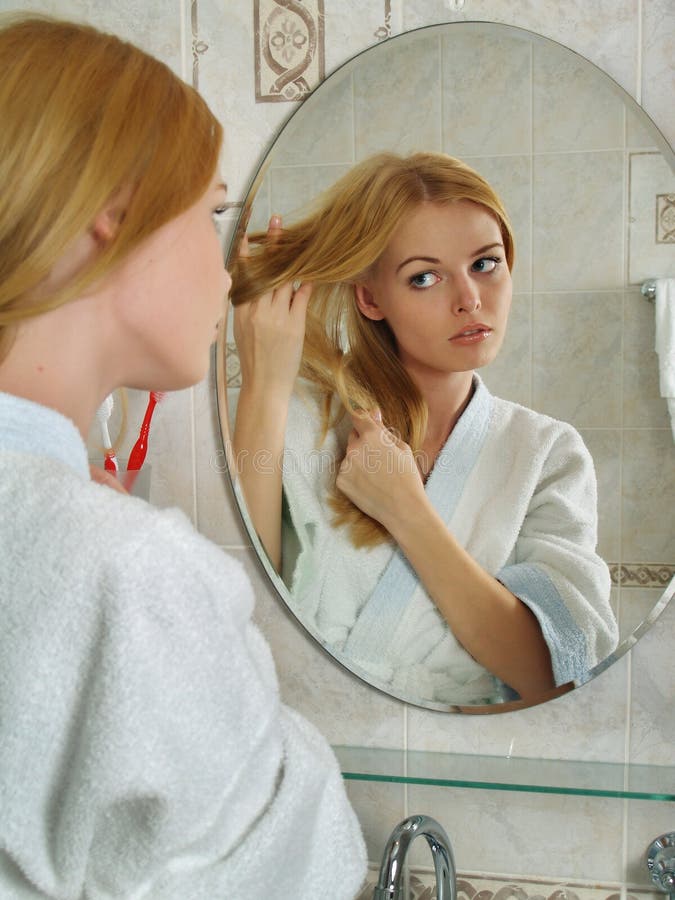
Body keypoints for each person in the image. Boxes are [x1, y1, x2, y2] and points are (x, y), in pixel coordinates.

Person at [0, 15, 367, 899]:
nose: (227, 267)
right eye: (208, 212)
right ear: (110, 217)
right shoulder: (125, 569)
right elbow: (293, 876)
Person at [230, 151, 619, 707]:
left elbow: (555, 670)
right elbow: (244, 598)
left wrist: (406, 509)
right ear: (370, 298)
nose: (470, 299)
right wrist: (264, 387)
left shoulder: (545, 453)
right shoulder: (304, 421)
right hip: (313, 733)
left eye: (485, 263)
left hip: (465, 759)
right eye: (425, 277)